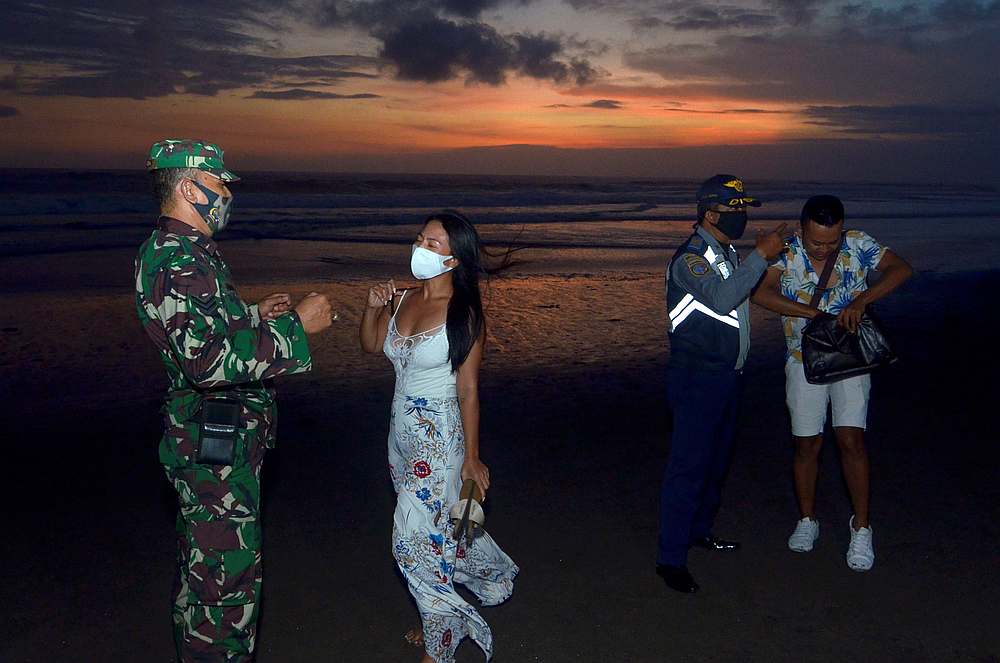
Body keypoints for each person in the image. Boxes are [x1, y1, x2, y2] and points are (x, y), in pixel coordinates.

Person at [134, 139, 333, 660]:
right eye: (220, 183)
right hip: (211, 454)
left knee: (205, 580)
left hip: (214, 445)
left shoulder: (190, 252)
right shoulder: (176, 257)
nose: (226, 194)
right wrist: (297, 328)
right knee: (225, 591)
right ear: (188, 187)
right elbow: (206, 364)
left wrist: (251, 313)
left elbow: (201, 328)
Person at [359, 211, 518, 663]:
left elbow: (468, 389)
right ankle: (457, 599)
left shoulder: (464, 315)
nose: (421, 249)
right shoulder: (402, 298)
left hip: (441, 439)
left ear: (455, 259)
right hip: (400, 438)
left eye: (434, 244)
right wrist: (372, 307)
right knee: (436, 534)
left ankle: (440, 645)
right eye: (419, 239)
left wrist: (472, 458)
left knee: (409, 541)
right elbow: (372, 347)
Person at [751, 194, 912, 571]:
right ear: (802, 228)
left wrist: (861, 301)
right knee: (807, 444)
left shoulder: (857, 243)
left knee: (851, 439)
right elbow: (761, 293)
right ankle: (807, 520)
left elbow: (901, 269)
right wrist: (814, 313)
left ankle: (862, 527)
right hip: (802, 359)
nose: (823, 248)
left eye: (831, 241)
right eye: (816, 241)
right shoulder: (786, 250)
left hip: (852, 359)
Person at [657, 174, 788, 594]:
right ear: (710, 214)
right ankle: (670, 559)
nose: (743, 217)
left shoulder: (724, 251)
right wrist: (761, 257)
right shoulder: (691, 259)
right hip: (698, 379)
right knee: (688, 468)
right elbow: (722, 298)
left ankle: (699, 531)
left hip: (727, 377)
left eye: (744, 209)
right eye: (735, 210)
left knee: (715, 464)